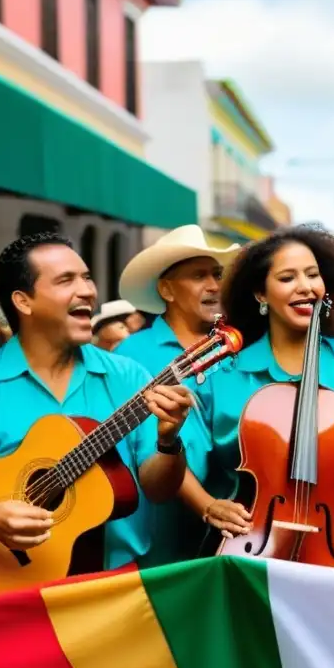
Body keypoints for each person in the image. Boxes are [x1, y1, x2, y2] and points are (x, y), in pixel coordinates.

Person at [0, 232, 195, 583]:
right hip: (10, 591)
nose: (88, 290)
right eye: (66, 280)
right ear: (23, 302)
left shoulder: (128, 377)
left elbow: (159, 490)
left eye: (87, 277)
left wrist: (169, 441)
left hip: (118, 587)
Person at [192, 224, 334, 574]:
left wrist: (331, 454)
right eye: (287, 277)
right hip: (258, 540)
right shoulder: (225, 373)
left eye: (313, 274)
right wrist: (207, 505)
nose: (305, 286)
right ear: (260, 294)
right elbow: (181, 455)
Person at [114, 224, 240, 566]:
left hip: (238, 529)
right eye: (199, 276)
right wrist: (206, 504)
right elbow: (146, 445)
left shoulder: (236, 347)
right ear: (167, 290)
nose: (214, 285)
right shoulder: (131, 355)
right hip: (161, 537)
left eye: (217, 274)